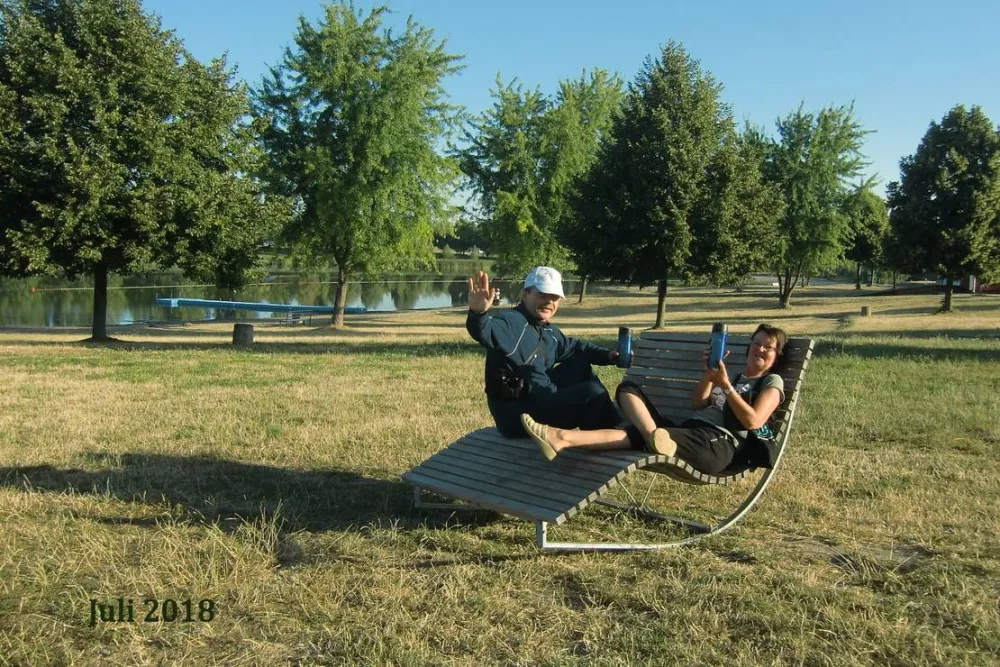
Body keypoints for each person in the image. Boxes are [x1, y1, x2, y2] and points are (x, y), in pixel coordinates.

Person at [520, 323, 789, 472]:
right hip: (686, 431)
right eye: (756, 343)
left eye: (768, 347)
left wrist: (727, 386)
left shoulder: (771, 382)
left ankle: (655, 438)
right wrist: (709, 376)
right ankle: (561, 438)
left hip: (717, 444)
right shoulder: (733, 375)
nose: (760, 349)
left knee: (639, 436)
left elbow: (753, 421)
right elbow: (698, 404)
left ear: (777, 356)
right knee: (628, 388)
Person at [466, 267, 622, 439]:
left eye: (554, 297)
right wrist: (478, 313)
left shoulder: (548, 331)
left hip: (540, 400)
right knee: (592, 393)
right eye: (542, 295)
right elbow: (484, 331)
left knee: (579, 367)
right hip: (516, 417)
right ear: (526, 294)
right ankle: (617, 437)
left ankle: (610, 431)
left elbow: (576, 347)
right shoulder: (512, 323)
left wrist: (609, 356)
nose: (549, 302)